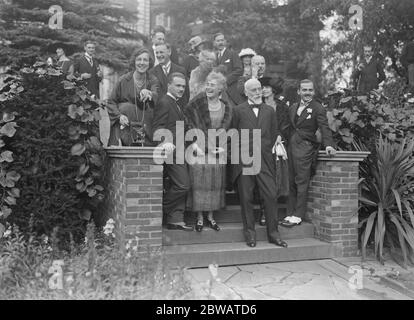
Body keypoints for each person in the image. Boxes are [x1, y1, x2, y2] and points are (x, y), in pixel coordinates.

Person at [231, 78, 287, 248]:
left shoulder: (270, 110)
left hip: (264, 160)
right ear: (246, 92)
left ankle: (274, 234)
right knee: (246, 198)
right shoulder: (238, 110)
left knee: (270, 195)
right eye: (253, 90)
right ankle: (250, 235)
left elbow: (274, 132)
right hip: (245, 160)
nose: (257, 93)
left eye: (259, 89)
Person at [183, 72, 232, 232]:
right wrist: (194, 141)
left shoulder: (227, 107)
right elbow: (186, 121)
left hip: (217, 152)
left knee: (214, 184)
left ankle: (211, 217)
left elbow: (230, 130)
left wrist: (224, 146)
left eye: (213, 85)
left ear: (221, 89)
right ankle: (199, 218)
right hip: (198, 149)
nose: (209, 87)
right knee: (199, 183)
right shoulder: (196, 102)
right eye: (208, 84)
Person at [285, 79, 336, 227]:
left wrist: (328, 145)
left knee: (302, 180)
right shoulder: (293, 107)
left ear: (313, 92)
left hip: (305, 147)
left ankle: (298, 215)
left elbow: (324, 127)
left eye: (310, 90)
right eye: (304, 90)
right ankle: (290, 213)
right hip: (291, 146)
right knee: (290, 180)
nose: (307, 93)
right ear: (299, 91)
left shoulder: (318, 108)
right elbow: (288, 127)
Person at [152, 72, 193, 231]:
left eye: (183, 86)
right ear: (169, 85)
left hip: (180, 150)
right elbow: (157, 127)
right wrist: (165, 143)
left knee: (181, 185)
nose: (181, 89)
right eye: (178, 85)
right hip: (171, 152)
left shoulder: (176, 103)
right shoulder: (165, 102)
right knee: (183, 185)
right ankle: (159, 207)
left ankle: (170, 216)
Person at [106, 47, 159, 147]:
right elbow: (111, 102)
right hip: (126, 121)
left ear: (149, 63)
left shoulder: (152, 79)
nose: (142, 63)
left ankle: (140, 148)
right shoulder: (123, 80)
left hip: (144, 121)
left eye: (145, 60)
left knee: (140, 152)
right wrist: (119, 116)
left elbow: (155, 93)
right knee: (126, 107)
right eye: (139, 59)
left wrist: (149, 93)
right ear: (134, 62)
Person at [258, 76, 290, 226]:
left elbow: (286, 124)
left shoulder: (282, 106)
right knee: (263, 181)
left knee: (275, 180)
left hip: (276, 146)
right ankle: (264, 211)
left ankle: (272, 212)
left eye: (266, 87)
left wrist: (279, 135)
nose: (264, 90)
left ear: (273, 89)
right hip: (260, 146)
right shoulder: (257, 105)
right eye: (262, 87)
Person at [150, 42, 189, 107]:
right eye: (157, 53)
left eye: (161, 52)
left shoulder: (181, 70)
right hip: (160, 112)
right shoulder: (152, 72)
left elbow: (186, 95)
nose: (159, 55)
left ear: (169, 52)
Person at [213, 32, 243, 106]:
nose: (220, 42)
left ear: (225, 41)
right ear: (214, 43)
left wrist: (226, 80)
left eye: (222, 40)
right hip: (217, 93)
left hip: (231, 93)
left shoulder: (232, 54)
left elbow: (239, 70)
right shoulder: (213, 57)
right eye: (218, 41)